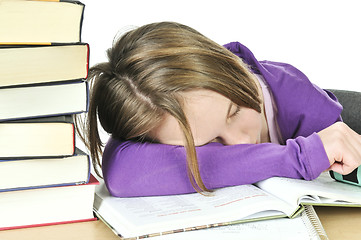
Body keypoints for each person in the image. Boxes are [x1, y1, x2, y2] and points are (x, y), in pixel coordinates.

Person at [77, 21, 361, 197]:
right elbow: (123, 175)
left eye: (235, 111)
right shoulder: (157, 117)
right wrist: (295, 158)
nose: (242, 142)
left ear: (236, 65)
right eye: (209, 143)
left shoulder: (298, 98)